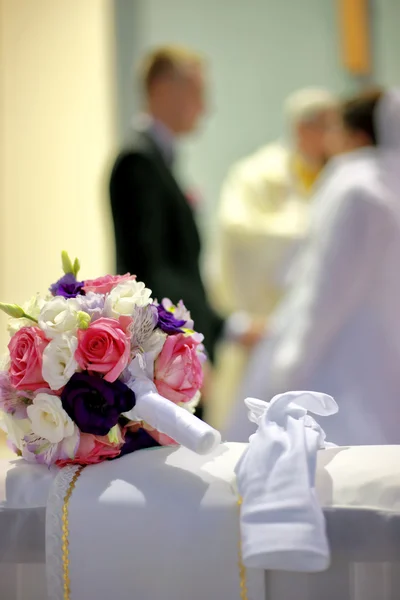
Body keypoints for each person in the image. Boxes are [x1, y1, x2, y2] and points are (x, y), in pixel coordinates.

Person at [224, 88, 400, 445]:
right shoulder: (384, 182)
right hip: (378, 350)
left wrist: (287, 366)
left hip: (339, 361)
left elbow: (326, 287)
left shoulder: (354, 187)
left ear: (355, 136)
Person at [109, 46, 258, 417]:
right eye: (196, 92)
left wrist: (232, 327)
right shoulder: (137, 162)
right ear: (162, 88)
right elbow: (151, 271)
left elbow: (181, 272)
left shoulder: (157, 161)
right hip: (163, 361)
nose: (204, 107)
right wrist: (182, 348)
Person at [208, 89, 337, 428]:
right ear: (302, 129)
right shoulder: (256, 175)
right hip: (262, 322)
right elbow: (240, 235)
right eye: (327, 128)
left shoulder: (338, 173)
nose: (333, 139)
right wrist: (310, 235)